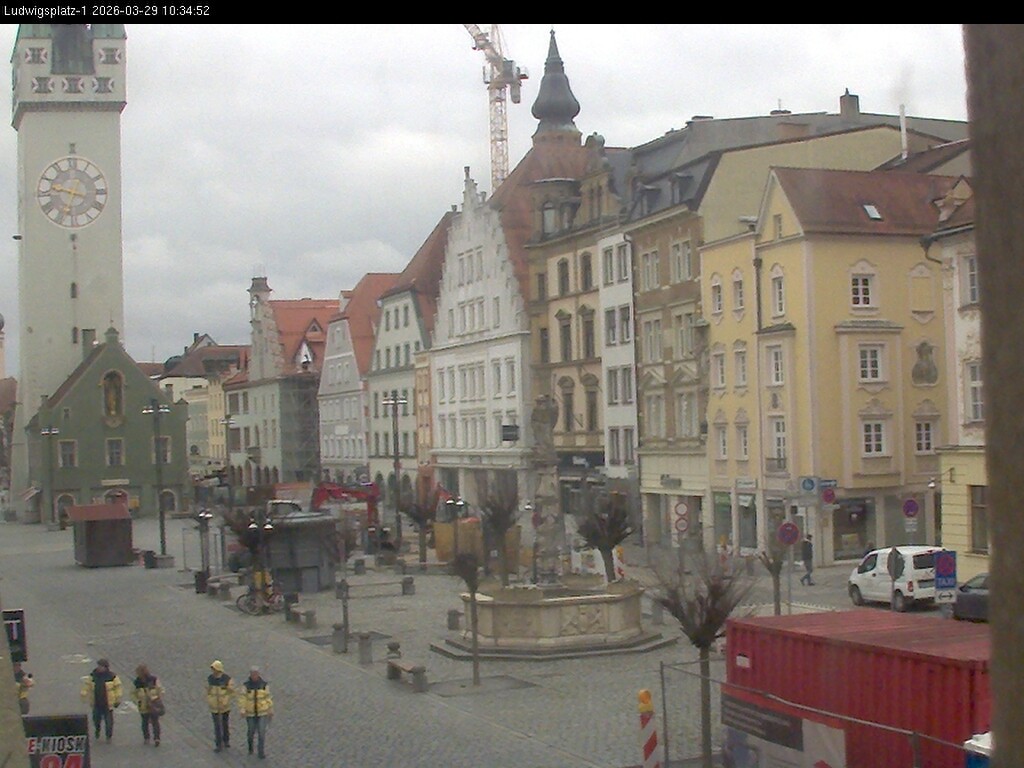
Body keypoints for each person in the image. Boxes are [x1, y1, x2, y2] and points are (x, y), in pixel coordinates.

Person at [80, 658, 122, 742]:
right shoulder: (93, 675)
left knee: (109, 722)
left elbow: (118, 688)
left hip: (108, 703)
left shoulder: (112, 676)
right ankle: (97, 730)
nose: (100, 668)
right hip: (97, 703)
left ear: (106, 667)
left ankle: (108, 736)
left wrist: (118, 699)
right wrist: (83, 693)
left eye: (101, 666)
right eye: (99, 666)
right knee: (96, 719)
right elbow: (87, 685)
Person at [239, 666, 273, 759]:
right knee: (251, 732)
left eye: (256, 674)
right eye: (253, 674)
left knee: (262, 733)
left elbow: (268, 697)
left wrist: (270, 708)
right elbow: (243, 698)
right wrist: (242, 708)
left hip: (262, 712)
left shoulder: (264, 685)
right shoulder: (246, 686)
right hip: (250, 713)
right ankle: (250, 747)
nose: (254, 676)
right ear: (250, 675)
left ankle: (261, 752)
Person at [131, 664, 164, 747]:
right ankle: (148, 737)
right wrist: (137, 700)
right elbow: (132, 693)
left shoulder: (153, 680)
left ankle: (155, 738)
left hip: (152, 704)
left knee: (153, 721)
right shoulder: (137, 682)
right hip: (143, 704)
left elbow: (160, 689)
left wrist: (157, 698)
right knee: (146, 721)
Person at [207, 660, 235, 752]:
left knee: (224, 723)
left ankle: (226, 740)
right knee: (217, 726)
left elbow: (231, 692)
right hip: (214, 707)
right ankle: (218, 744)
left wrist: (226, 701)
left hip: (224, 707)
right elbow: (208, 691)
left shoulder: (227, 679)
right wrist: (210, 700)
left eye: (214, 669)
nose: (213, 671)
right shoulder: (210, 679)